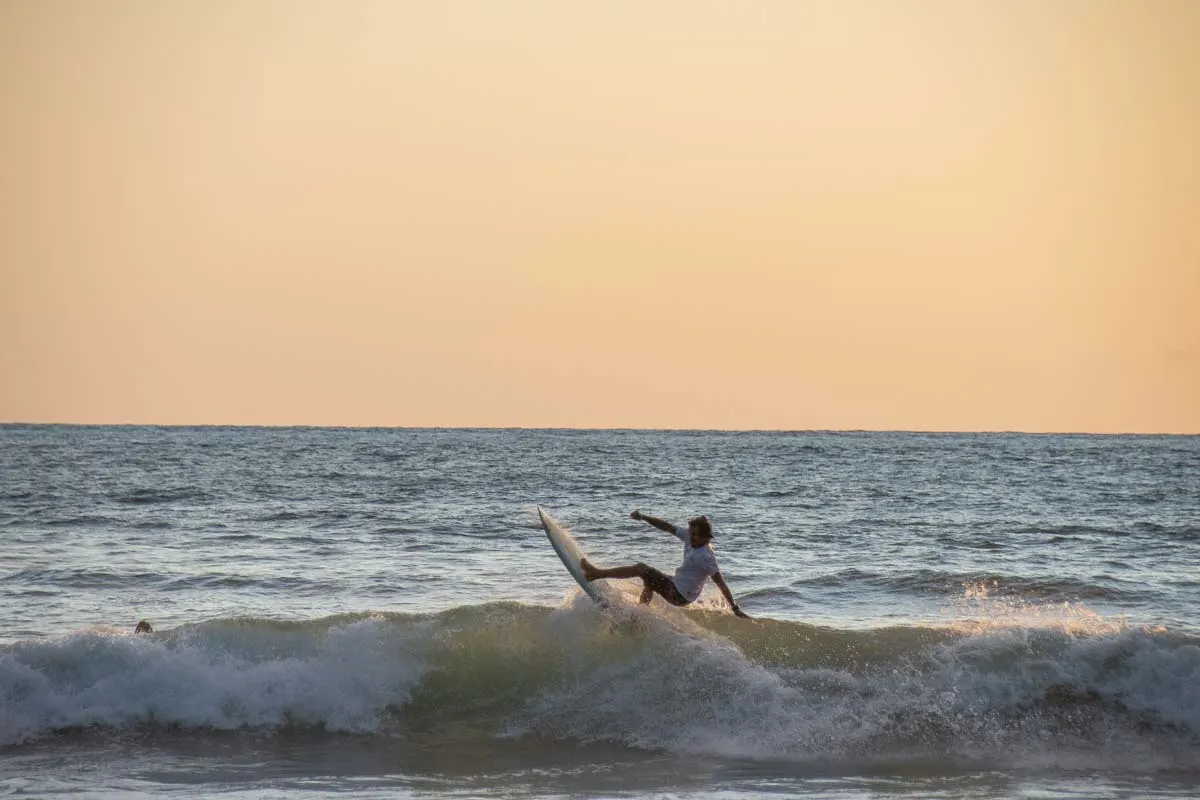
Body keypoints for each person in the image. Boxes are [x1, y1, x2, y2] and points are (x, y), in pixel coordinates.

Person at [581, 510, 750, 618]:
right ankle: (639, 617)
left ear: (707, 537)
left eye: (696, 535)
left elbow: (721, 583)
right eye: (691, 533)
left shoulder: (706, 557)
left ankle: (596, 574)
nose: (691, 537)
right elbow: (666, 526)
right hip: (678, 587)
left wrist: (734, 608)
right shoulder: (689, 537)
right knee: (650, 580)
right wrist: (644, 517)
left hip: (679, 595)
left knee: (641, 568)